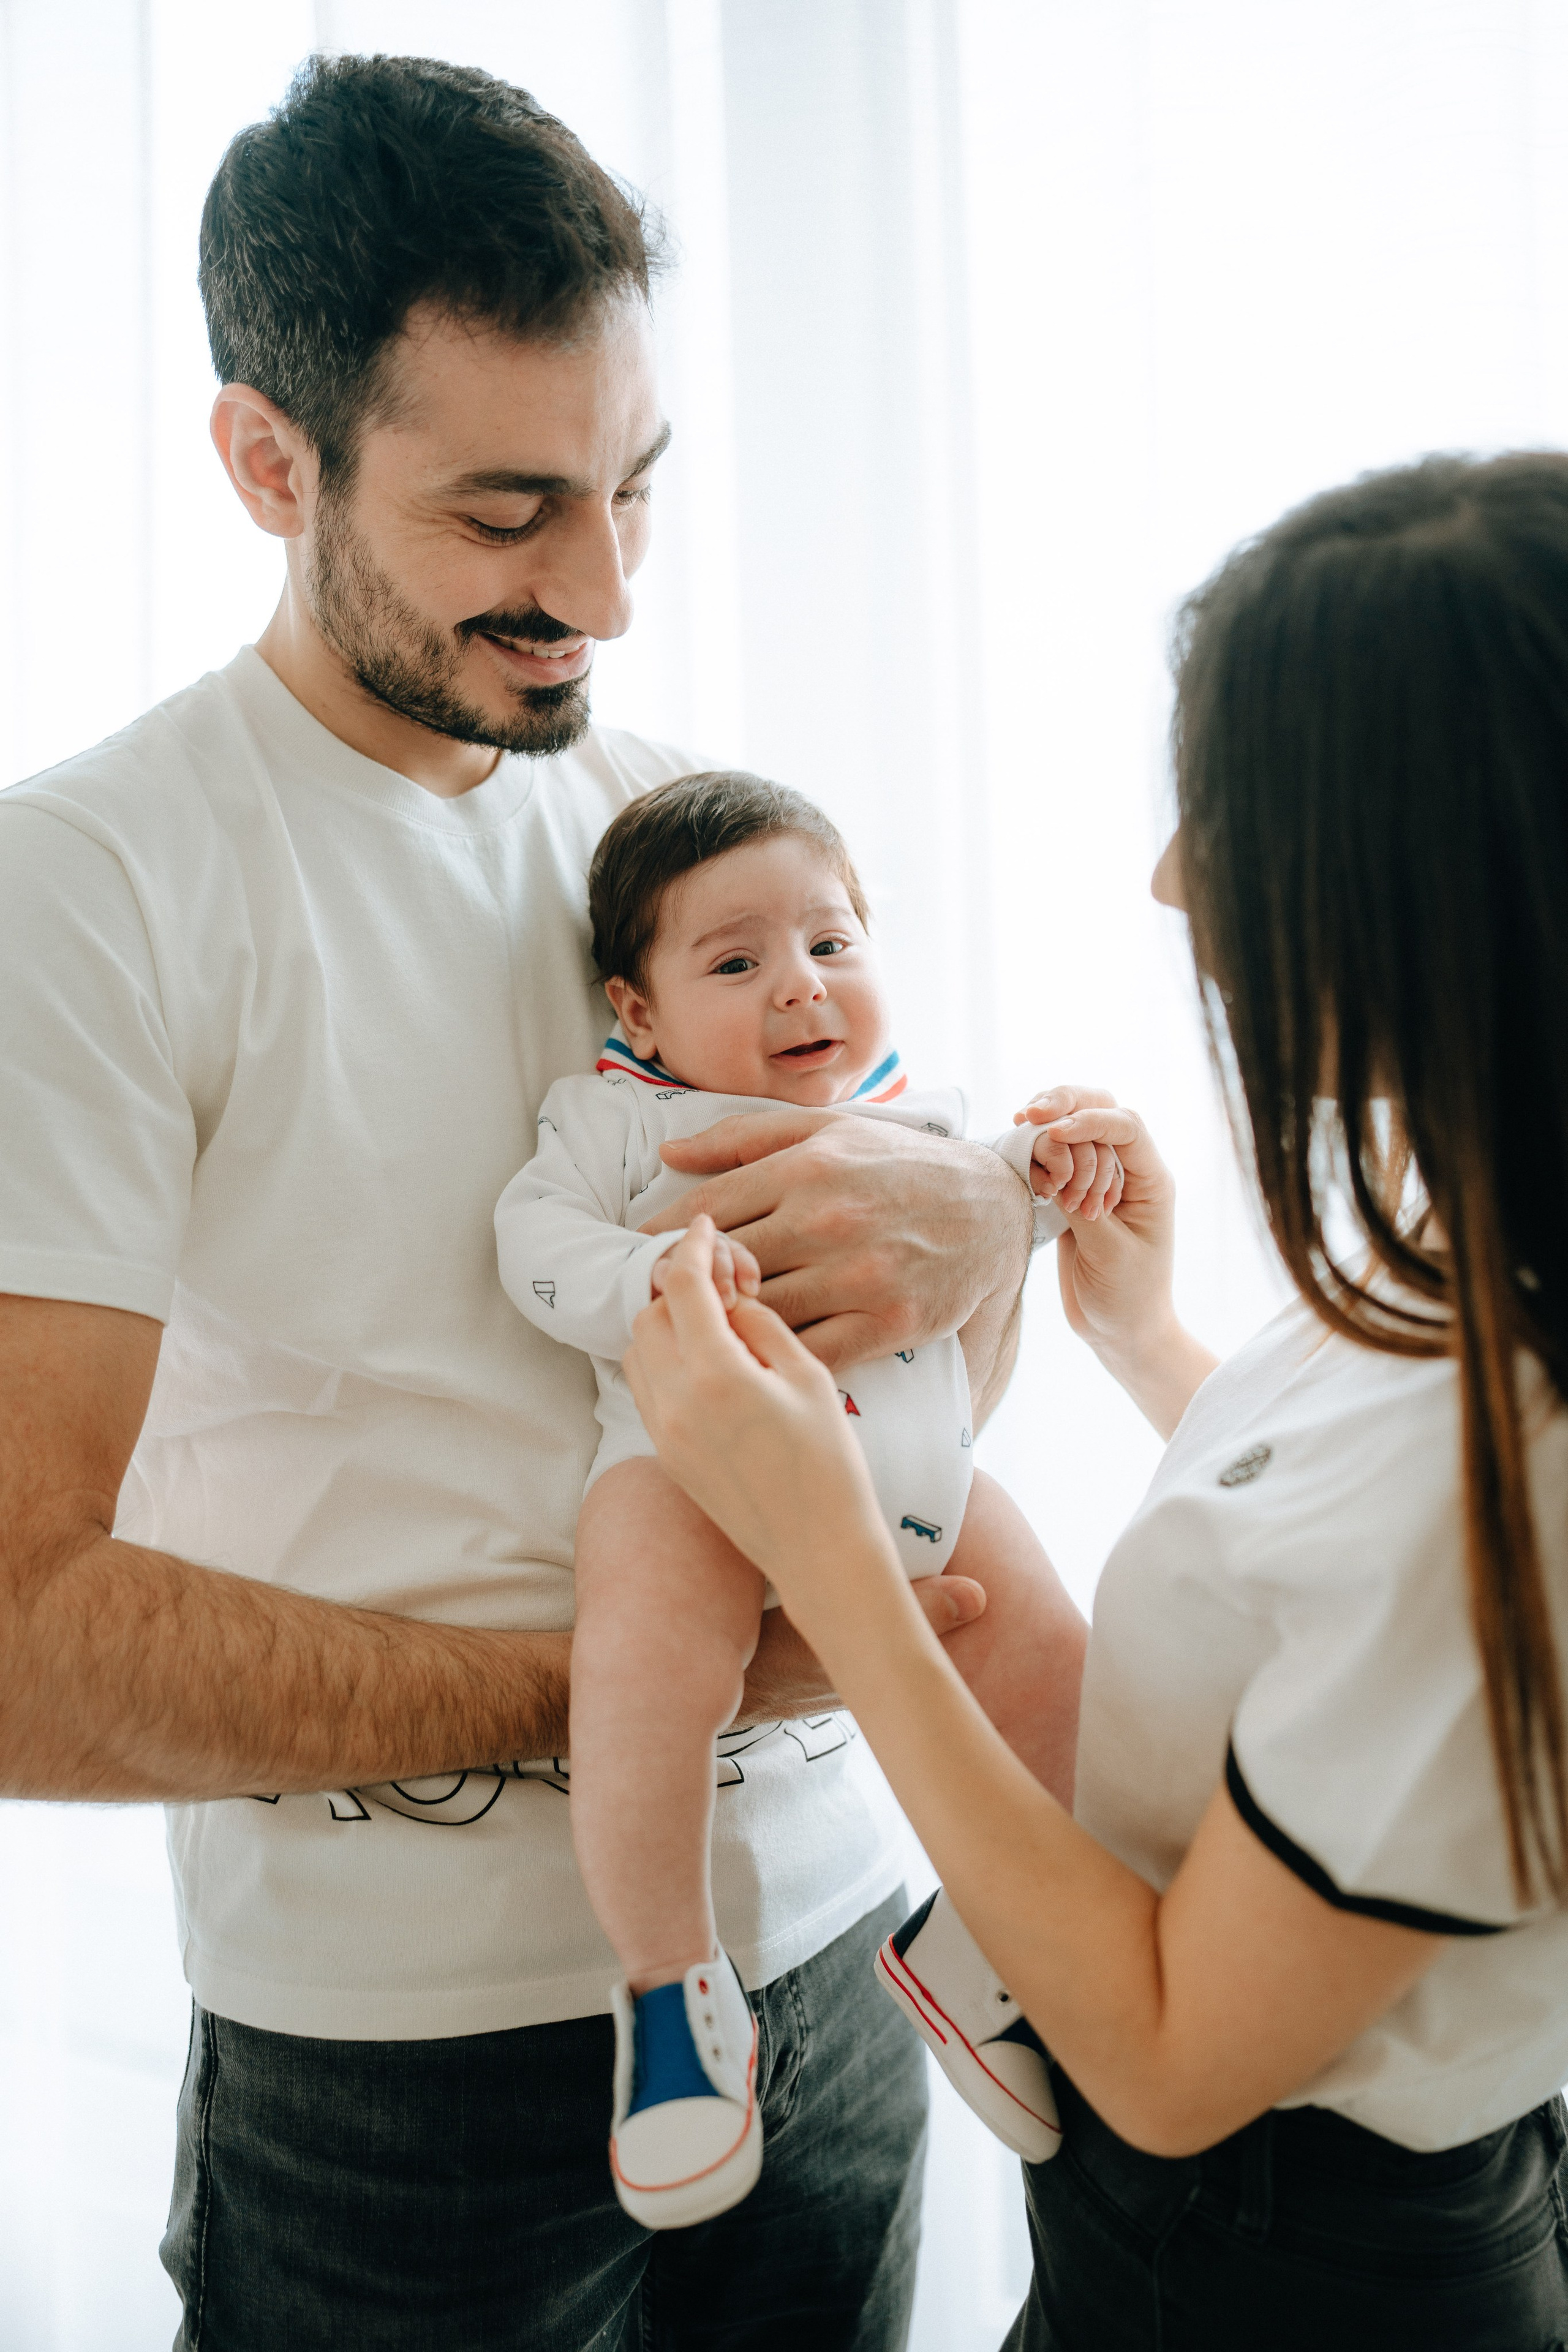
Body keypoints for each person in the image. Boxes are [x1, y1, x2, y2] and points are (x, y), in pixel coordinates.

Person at [0, 55, 1050, 2352]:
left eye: (634, 488)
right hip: (398, 2076)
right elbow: (15, 1640)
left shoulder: (683, 832)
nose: (599, 588)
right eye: (506, 514)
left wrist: (986, 1212)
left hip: (844, 1959)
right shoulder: (84, 888)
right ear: (268, 461)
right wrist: (622, 1697)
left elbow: (897, 1253)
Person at [622, 451, 1568, 2349]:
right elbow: (1352, 1601)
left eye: (1223, 812)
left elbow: (1153, 2053)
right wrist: (1146, 1342)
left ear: (1417, 873)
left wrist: (837, 1559)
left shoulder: (1523, 1466)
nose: (1166, 876)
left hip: (1292, 2266)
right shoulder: (1482, 1233)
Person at [495, 770, 1110, 2223]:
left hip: (913, 1486)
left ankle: (979, 1940)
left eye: (831, 946)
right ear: (635, 1013)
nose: (799, 988)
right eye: (735, 962)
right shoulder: (619, 1120)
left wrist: (1050, 1166)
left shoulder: (923, 1116)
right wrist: (649, 1274)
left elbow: (1005, 1203)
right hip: (688, 1479)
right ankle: (669, 1994)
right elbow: (529, 1250)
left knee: (1059, 1672)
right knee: (642, 1668)